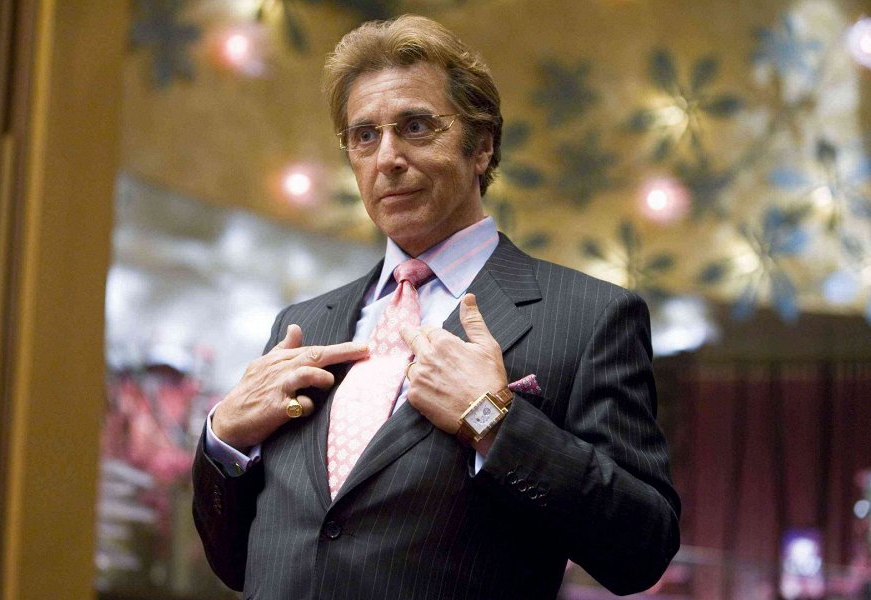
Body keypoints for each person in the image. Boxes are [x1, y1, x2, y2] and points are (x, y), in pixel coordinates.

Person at [192, 14, 680, 599]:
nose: (387, 157)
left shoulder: (589, 317)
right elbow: (236, 562)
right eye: (364, 136)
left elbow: (641, 550)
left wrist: (492, 420)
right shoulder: (301, 326)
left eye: (416, 126)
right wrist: (223, 437)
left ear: (482, 146)